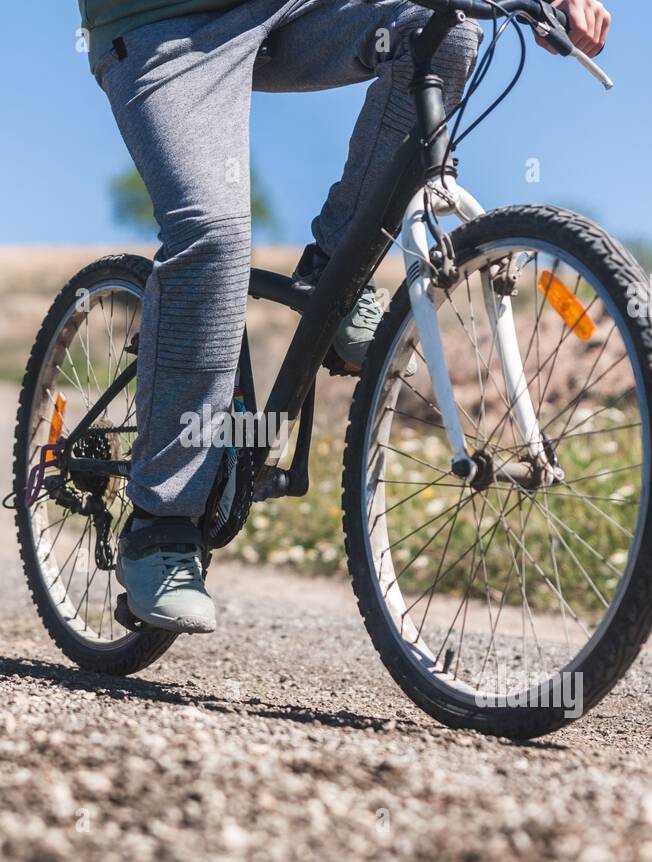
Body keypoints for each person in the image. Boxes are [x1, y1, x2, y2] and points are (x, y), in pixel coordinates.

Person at [77, 0, 611, 633]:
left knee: (440, 33)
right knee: (213, 235)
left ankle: (335, 269)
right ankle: (160, 523)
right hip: (162, 25)